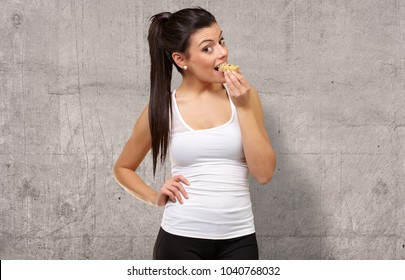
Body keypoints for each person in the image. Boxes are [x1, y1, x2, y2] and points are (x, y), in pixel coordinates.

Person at [112, 7, 276, 260]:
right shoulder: (164, 108)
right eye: (207, 48)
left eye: (221, 41)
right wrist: (155, 197)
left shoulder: (245, 96)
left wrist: (242, 107)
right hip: (179, 240)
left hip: (239, 240)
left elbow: (264, 174)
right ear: (181, 60)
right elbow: (123, 168)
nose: (223, 52)